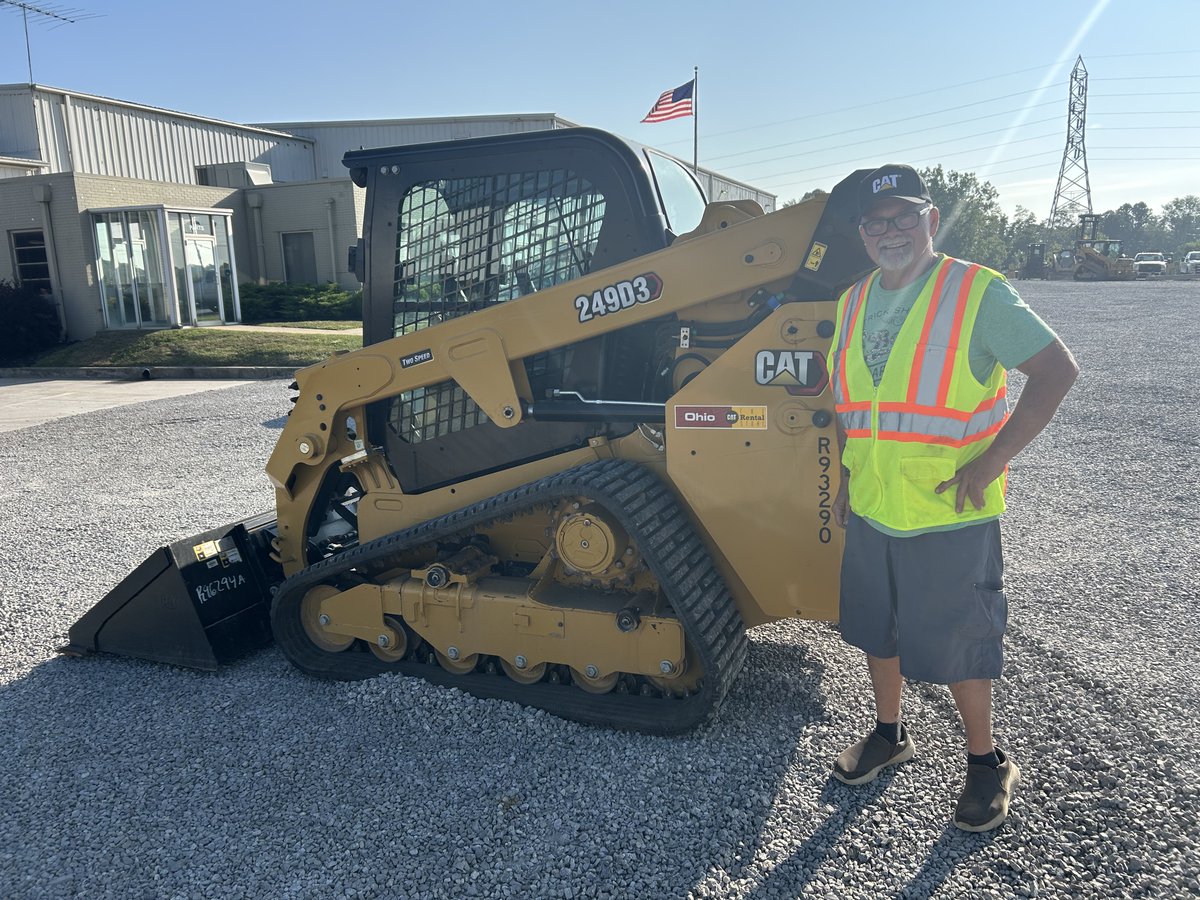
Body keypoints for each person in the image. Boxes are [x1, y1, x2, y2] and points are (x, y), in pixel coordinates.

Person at [828, 164, 1079, 832]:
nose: (891, 231)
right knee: (876, 629)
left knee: (964, 641)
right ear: (861, 231)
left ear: (931, 220)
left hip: (950, 510)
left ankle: (986, 762)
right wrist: (848, 482)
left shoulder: (976, 291)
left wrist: (996, 457)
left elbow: (1056, 370)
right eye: (877, 221)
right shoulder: (851, 301)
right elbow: (856, 406)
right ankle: (889, 734)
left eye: (904, 216)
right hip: (876, 505)